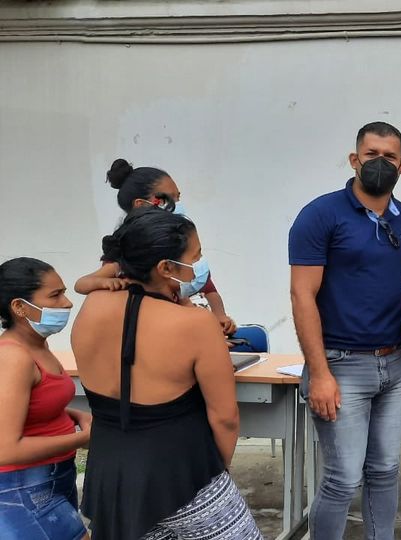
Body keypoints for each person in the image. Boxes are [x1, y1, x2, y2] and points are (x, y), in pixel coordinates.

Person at [71, 208, 261, 539]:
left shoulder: (92, 306)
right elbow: (225, 418)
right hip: (184, 473)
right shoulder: (195, 324)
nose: (200, 265)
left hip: (110, 476)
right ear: (165, 267)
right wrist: (216, 473)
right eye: (196, 256)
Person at [289, 121, 401, 539]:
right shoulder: (321, 215)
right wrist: (320, 373)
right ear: (354, 159)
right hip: (340, 365)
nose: (380, 163)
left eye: (389, 157)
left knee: (384, 470)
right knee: (343, 478)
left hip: (396, 364)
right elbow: (302, 295)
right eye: (371, 155)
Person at [75, 159, 237, 336]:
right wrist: (105, 282)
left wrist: (218, 318)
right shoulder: (126, 255)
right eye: (168, 198)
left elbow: (206, 289)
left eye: (178, 197)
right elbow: (82, 284)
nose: (177, 204)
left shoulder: (181, 240)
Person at [0, 258, 91, 540]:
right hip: (23, 487)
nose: (67, 303)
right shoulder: (13, 357)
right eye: (55, 295)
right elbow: (6, 449)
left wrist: (77, 415)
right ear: (19, 307)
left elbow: (38, 405)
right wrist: (84, 438)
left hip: (54, 477)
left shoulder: (38, 345)